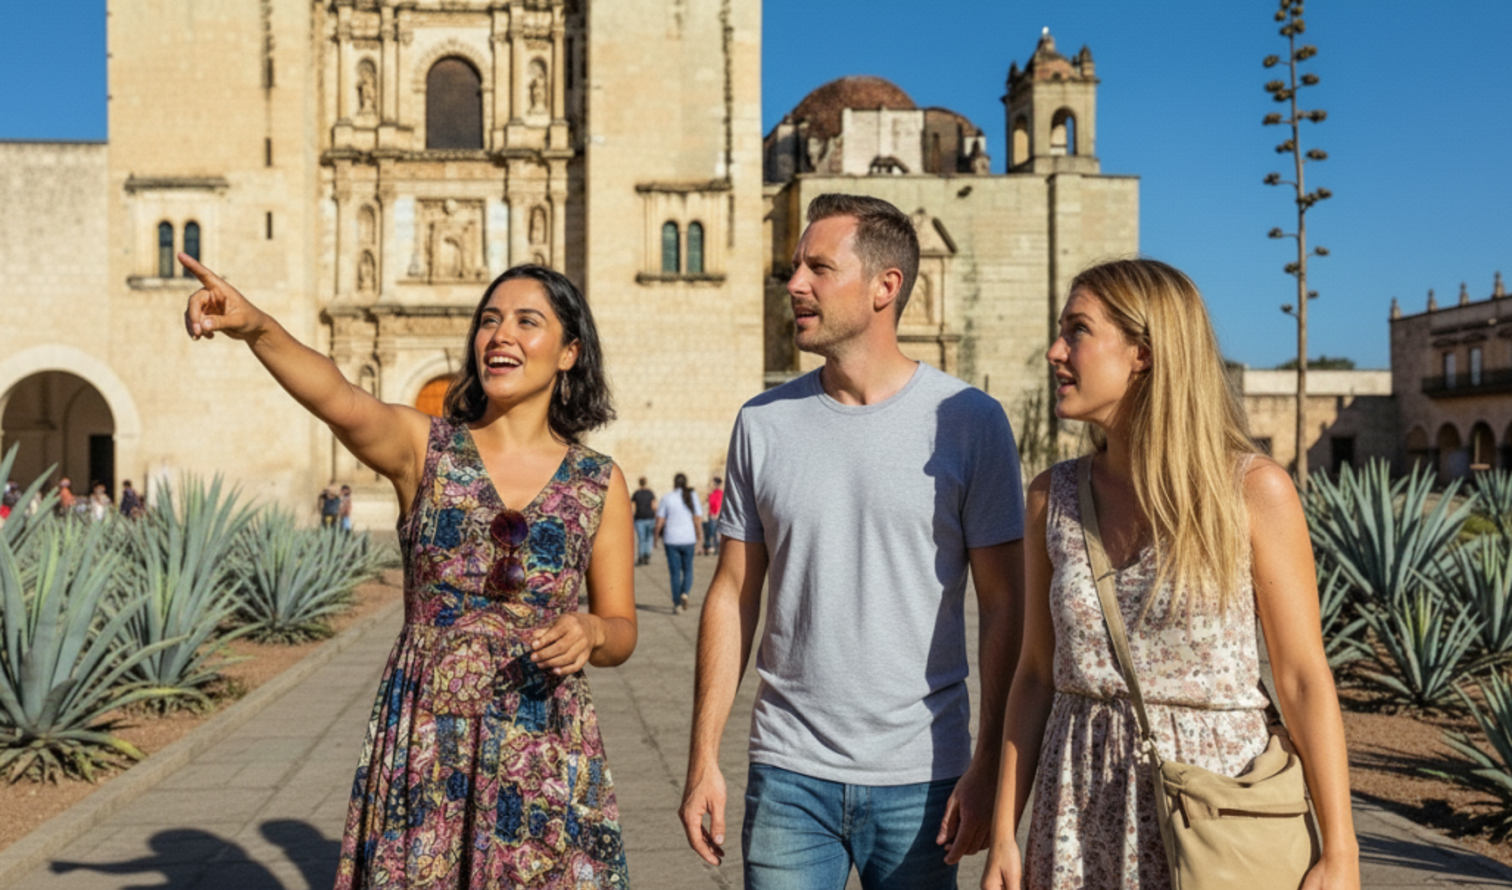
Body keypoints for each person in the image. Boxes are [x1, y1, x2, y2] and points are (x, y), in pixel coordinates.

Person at [183, 256, 638, 888]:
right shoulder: (424, 448)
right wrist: (256, 327)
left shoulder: (598, 482)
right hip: (427, 735)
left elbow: (622, 630)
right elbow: (339, 398)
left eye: (527, 322)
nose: (499, 335)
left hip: (543, 741)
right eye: (488, 321)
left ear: (568, 353)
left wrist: (591, 632)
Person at [679, 193, 1025, 889]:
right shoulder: (762, 423)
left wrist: (988, 770)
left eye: (818, 267)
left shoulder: (971, 423)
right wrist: (702, 757)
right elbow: (733, 593)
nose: (794, 284)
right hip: (788, 775)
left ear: (884, 287)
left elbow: (1006, 610)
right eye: (794, 267)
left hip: (924, 777)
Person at [979, 259, 1359, 890]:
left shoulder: (1252, 492)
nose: (1054, 351)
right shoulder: (1053, 498)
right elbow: (1036, 676)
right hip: (1076, 817)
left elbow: (1301, 679)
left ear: (1144, 355)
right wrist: (1002, 838)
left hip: (1213, 816)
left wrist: (1340, 850)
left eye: (1077, 330)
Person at [656, 472, 703, 612]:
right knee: (688, 569)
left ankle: (677, 604)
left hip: (671, 540)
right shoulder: (692, 496)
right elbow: (698, 519)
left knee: (675, 572)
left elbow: (660, 521)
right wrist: (700, 537)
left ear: (674, 483)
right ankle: (685, 593)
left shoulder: (667, 498)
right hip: (688, 539)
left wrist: (655, 537)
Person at [631, 476, 657, 565]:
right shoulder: (650, 493)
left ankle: (642, 556)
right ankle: (647, 555)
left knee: (641, 538)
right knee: (649, 538)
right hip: (650, 517)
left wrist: (632, 517)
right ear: (646, 483)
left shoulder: (636, 493)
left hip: (639, 518)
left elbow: (633, 507)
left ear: (639, 483)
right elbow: (654, 506)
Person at [701, 476, 723, 556]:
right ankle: (714, 548)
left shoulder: (719, 493)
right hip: (712, 515)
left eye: (713, 483)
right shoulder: (713, 493)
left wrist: (716, 514)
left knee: (716, 533)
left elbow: (719, 504)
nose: (711, 485)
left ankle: (716, 548)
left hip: (715, 515)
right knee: (713, 533)